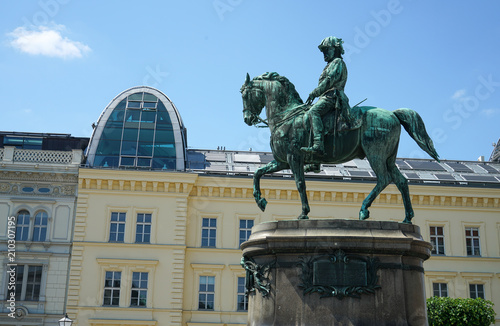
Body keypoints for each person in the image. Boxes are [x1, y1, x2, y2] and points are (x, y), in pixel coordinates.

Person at [301, 36, 351, 155]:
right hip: (326, 97)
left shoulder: (337, 62)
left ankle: (318, 145)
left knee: (313, 112)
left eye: (327, 50)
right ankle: (315, 161)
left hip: (332, 97)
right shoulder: (330, 64)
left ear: (335, 49)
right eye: (323, 51)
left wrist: (315, 92)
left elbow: (330, 80)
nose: (324, 53)